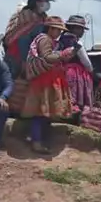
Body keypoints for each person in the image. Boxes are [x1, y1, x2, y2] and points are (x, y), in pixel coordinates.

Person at [20, 15, 75, 153]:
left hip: (46, 80)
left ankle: (38, 139)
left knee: (45, 113)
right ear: (50, 28)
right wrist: (63, 54)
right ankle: (36, 142)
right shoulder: (45, 39)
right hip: (44, 81)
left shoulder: (45, 39)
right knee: (40, 112)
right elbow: (47, 57)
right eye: (57, 29)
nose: (59, 33)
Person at [58, 15, 94, 118]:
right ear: (74, 28)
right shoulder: (76, 42)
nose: (83, 32)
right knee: (74, 97)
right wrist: (90, 70)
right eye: (81, 29)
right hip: (74, 72)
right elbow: (86, 61)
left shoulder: (61, 39)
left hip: (62, 69)